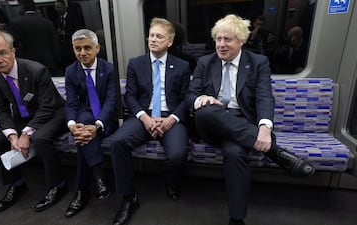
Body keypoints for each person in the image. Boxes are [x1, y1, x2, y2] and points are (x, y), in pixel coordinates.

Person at [187, 15, 315, 225]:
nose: (221, 44)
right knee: (205, 110)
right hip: (210, 122)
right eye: (218, 39)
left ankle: (236, 219)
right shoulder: (205, 62)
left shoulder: (257, 62)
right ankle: (276, 153)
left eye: (227, 39)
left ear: (241, 41)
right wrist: (202, 98)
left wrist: (264, 128)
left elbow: (265, 96)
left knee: (235, 153)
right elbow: (191, 95)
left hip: (241, 123)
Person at [109, 18, 191, 225]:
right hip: (143, 115)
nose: (153, 40)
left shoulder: (182, 66)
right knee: (118, 142)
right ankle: (129, 198)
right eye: (151, 35)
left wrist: (170, 119)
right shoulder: (136, 63)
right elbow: (130, 96)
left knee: (177, 154)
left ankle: (171, 182)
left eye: (159, 36)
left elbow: (186, 98)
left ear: (169, 42)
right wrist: (145, 118)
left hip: (170, 116)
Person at [0, 28, 68, 212]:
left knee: (40, 138)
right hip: (24, 116)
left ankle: (57, 185)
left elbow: (47, 106)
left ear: (12, 51)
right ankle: (16, 184)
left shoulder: (36, 70)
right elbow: (0, 108)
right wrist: (12, 136)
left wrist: (26, 133)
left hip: (54, 113)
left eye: (2, 52)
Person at [63, 29, 118, 218]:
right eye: (77, 49)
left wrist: (98, 125)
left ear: (97, 48)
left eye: (87, 48)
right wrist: (71, 125)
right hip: (85, 120)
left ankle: (81, 191)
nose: (82, 53)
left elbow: (111, 102)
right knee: (82, 127)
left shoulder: (108, 69)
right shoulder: (71, 71)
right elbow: (71, 102)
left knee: (84, 134)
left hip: (106, 120)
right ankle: (98, 177)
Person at [9, 0, 62, 76]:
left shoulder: (15, 23)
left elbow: (14, 45)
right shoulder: (47, 22)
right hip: (48, 63)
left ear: (22, 7)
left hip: (27, 65)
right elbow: (55, 45)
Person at [53, 0, 86, 69]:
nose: (56, 9)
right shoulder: (57, 20)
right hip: (63, 50)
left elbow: (78, 32)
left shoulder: (74, 18)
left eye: (58, 7)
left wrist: (64, 33)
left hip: (73, 47)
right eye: (55, 7)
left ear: (65, 7)